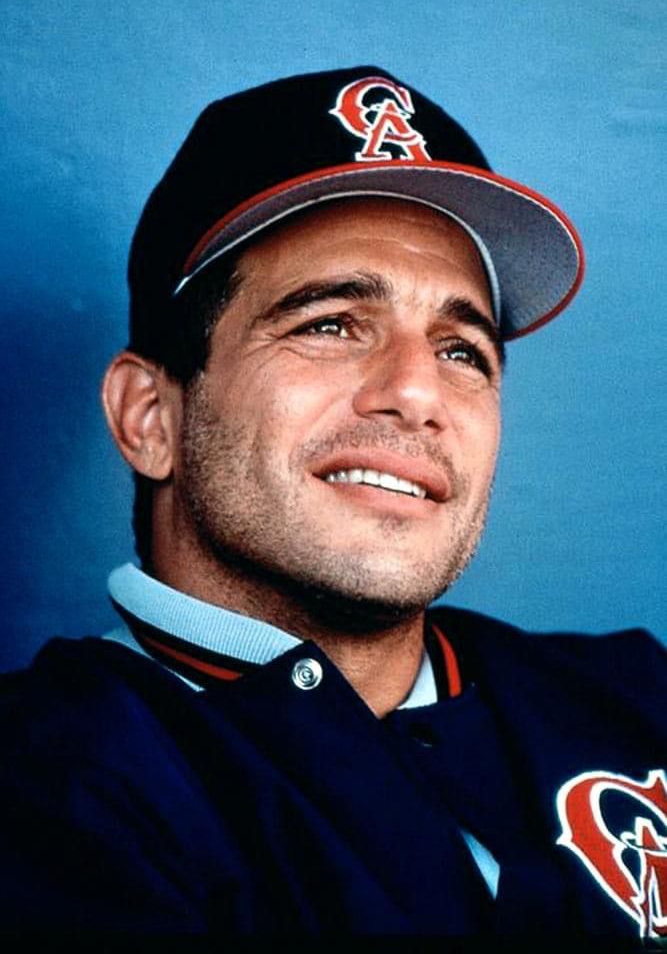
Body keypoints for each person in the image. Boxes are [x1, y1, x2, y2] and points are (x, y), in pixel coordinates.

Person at [1, 66, 665, 940]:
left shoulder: (635, 691)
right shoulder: (47, 784)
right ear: (150, 416)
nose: (415, 393)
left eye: (462, 349)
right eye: (329, 324)